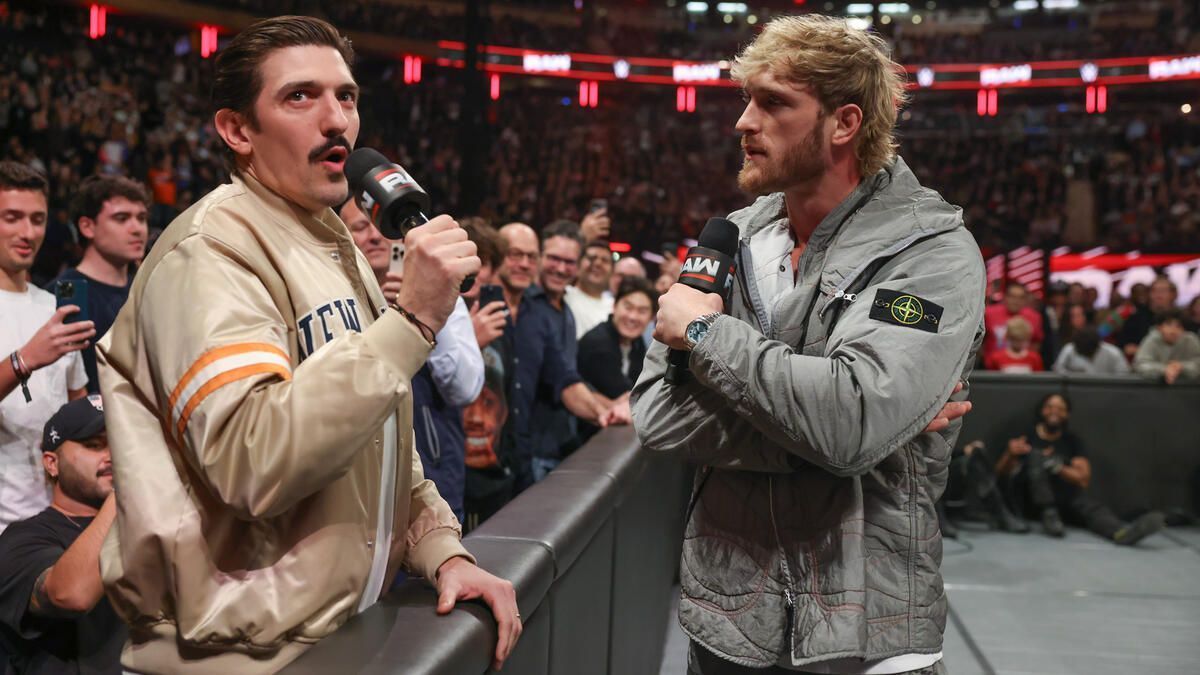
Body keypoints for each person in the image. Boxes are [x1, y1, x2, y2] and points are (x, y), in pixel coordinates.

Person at [94, 17, 519, 673]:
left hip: (336, 634)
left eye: (346, 96)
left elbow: (382, 443)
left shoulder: (333, 241)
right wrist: (410, 323)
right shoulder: (210, 252)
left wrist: (443, 550)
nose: (336, 120)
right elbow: (250, 460)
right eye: (300, 96)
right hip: (237, 657)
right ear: (238, 130)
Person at [632, 16, 980, 674]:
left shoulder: (929, 254)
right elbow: (655, 413)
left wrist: (706, 333)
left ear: (843, 123)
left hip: (868, 637)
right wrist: (844, 436)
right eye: (745, 99)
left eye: (773, 102)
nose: (743, 121)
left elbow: (850, 420)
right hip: (727, 619)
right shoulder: (727, 238)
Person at [340, 198, 484, 522]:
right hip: (358, 493)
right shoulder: (335, 299)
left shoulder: (444, 293)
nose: (374, 236)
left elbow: (464, 389)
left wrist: (424, 310)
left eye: (381, 226)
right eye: (360, 227)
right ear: (343, 237)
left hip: (434, 486)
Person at [0, 396, 125, 674]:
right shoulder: (21, 539)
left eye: (119, 444)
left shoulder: (148, 525)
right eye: (94, 445)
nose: (113, 456)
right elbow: (72, 595)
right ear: (51, 463)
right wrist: (125, 488)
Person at [0, 161, 92, 535]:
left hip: (54, 523)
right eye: (12, 217)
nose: (28, 232)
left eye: (37, 220)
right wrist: (24, 361)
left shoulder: (51, 307)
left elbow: (75, 407)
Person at [493, 222, 616, 488]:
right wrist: (604, 411)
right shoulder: (525, 307)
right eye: (553, 258)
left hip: (554, 445)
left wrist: (610, 408)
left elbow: (567, 375)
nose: (561, 268)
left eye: (569, 262)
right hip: (521, 449)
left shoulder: (565, 311)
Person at [993, 394, 1165, 544]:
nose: (1054, 412)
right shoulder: (1027, 436)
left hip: (1063, 501)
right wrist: (1010, 454)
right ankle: (1048, 511)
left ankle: (1120, 533)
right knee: (1036, 457)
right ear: (1042, 410)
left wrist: (1056, 466)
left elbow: (1083, 479)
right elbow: (1000, 473)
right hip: (1031, 501)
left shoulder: (1071, 441)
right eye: (1050, 407)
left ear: (1066, 414)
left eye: (1060, 408)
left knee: (1091, 507)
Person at [49, 174, 149, 393]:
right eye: (122, 218)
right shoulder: (63, 292)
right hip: (91, 423)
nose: (137, 228)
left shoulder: (147, 290)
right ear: (87, 227)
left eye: (141, 218)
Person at [576, 277, 655, 442]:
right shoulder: (597, 343)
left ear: (651, 318)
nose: (633, 317)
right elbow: (630, 399)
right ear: (614, 306)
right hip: (581, 437)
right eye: (628, 307)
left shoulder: (637, 343)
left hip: (611, 436)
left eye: (642, 311)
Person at [982, 282, 1045, 364]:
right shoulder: (989, 313)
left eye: (1020, 297)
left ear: (1026, 300)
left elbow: (1036, 343)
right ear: (1005, 297)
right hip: (992, 368)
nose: (1016, 301)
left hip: (1024, 368)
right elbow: (979, 341)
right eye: (1012, 296)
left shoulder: (1035, 317)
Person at [1132, 309, 1200, 384]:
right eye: (1168, 324)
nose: (1173, 330)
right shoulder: (1151, 340)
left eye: (1178, 326)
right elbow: (1140, 365)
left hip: (1188, 389)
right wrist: (1164, 369)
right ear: (1159, 327)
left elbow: (1197, 364)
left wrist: (1181, 367)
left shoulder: (1190, 340)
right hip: (1155, 390)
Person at [564, 239, 615, 340]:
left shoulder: (615, 307)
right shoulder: (563, 294)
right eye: (592, 258)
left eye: (605, 260)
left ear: (612, 271)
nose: (598, 264)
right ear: (578, 265)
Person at [1118, 276, 1177, 359]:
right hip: (1143, 362)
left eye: (1163, 291)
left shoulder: (1182, 318)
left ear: (1173, 294)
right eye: (1154, 291)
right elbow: (1124, 345)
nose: (1158, 294)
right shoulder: (1135, 317)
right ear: (1149, 294)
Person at [1052, 326, 1131, 375]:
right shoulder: (1069, 349)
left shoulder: (1114, 353)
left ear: (1098, 346)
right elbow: (1058, 370)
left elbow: (1123, 375)